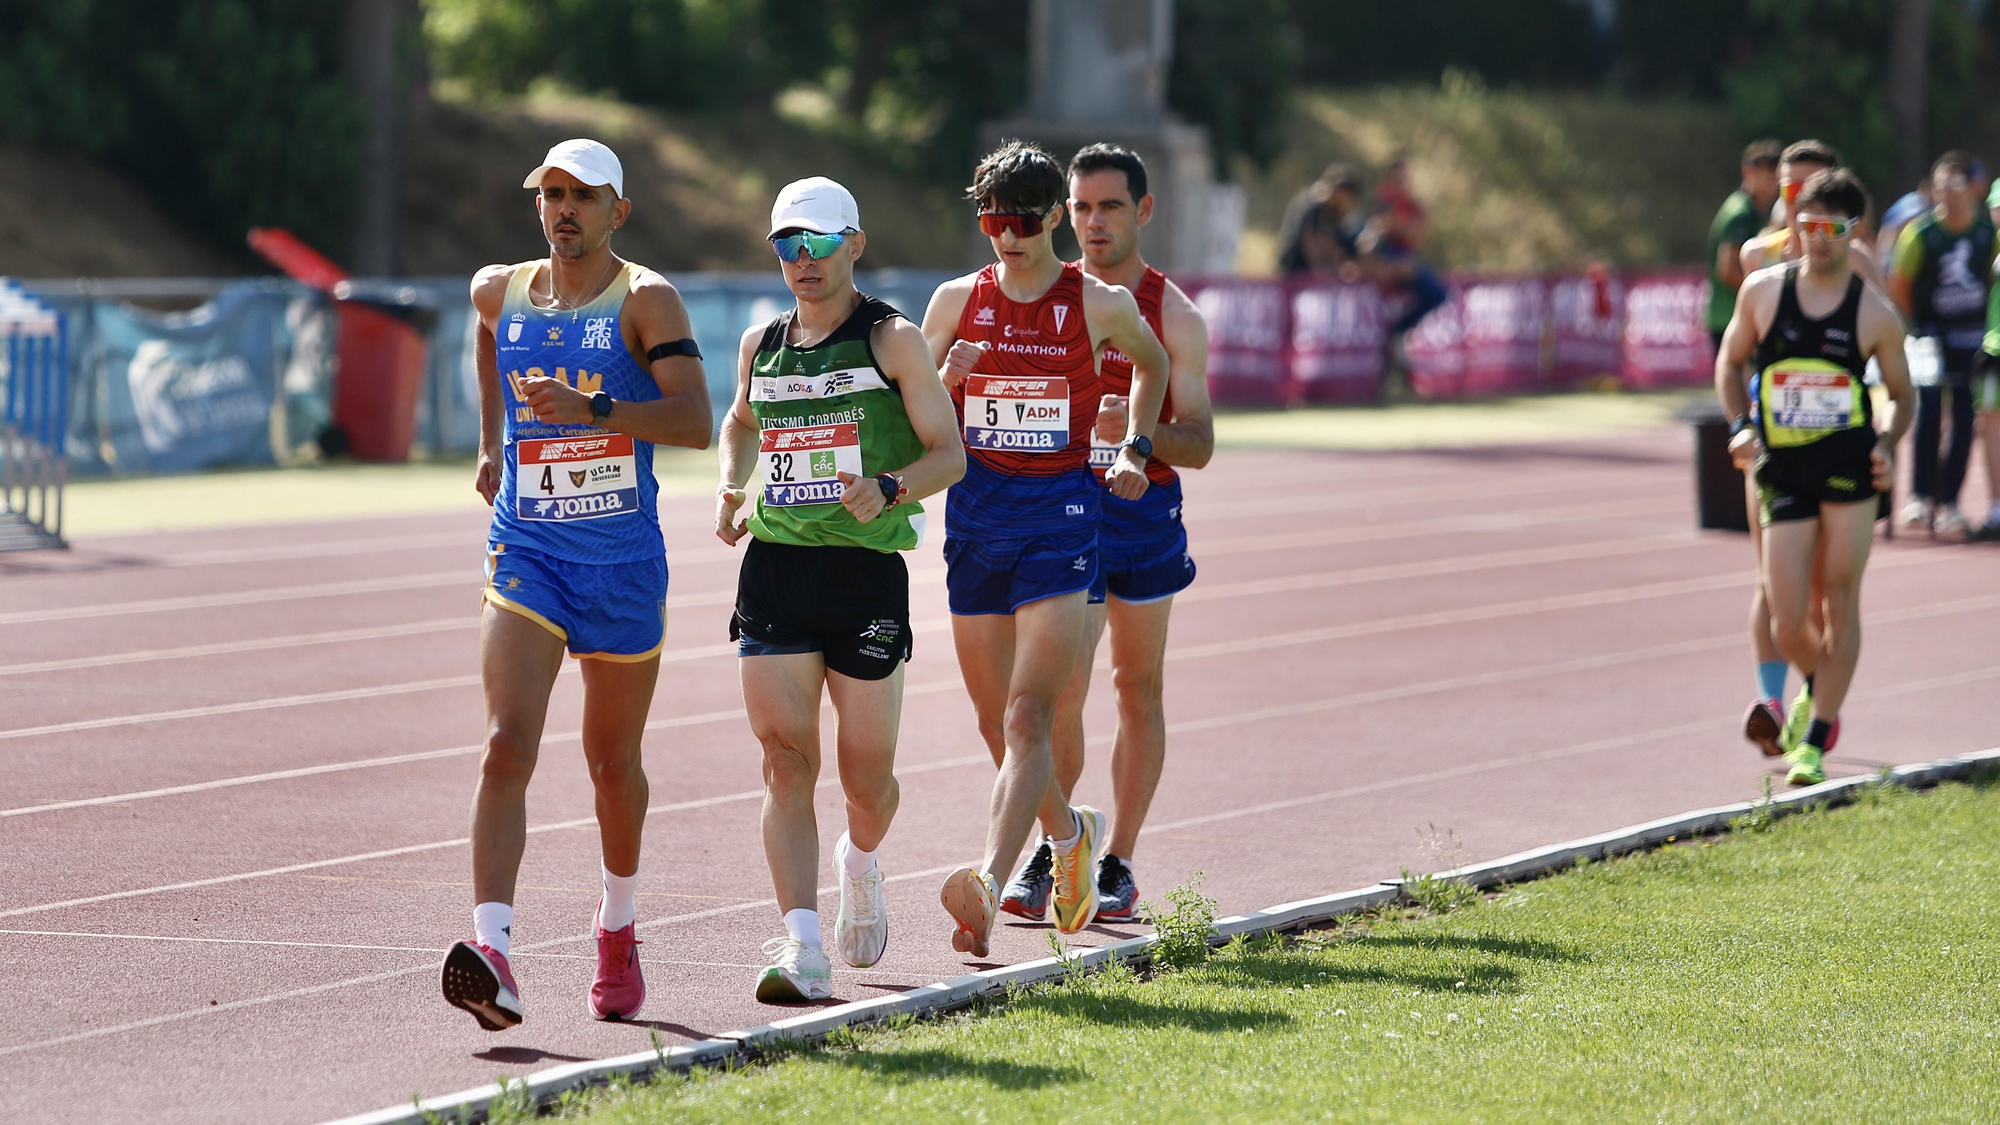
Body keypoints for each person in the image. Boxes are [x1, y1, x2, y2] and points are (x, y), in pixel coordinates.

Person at [443, 139, 714, 1030]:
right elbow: (486, 330)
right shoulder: (502, 288)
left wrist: (595, 408)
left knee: (612, 765)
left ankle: (617, 925)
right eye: (552, 194)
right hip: (528, 549)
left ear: (617, 211)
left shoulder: (645, 299)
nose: (564, 208)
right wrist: (493, 441)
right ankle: (492, 951)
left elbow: (696, 421)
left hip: (623, 562)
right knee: (504, 745)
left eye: (583, 196)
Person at [713, 178, 966, 1001]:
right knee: (785, 762)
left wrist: (890, 487)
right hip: (776, 569)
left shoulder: (892, 340)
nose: (804, 259)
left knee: (867, 782)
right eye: (788, 245)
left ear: (854, 244)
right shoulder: (761, 342)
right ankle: (803, 945)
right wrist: (731, 485)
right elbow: (741, 421)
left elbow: (949, 454)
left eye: (819, 243)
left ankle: (860, 860)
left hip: (864, 576)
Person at [919, 140, 1169, 957]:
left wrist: (1135, 446)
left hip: (1061, 524)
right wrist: (944, 381)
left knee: (1031, 714)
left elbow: (1153, 364)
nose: (1008, 236)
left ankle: (987, 883)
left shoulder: (1096, 302)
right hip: (975, 526)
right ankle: (1068, 838)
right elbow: (908, 413)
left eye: (1024, 221)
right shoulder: (956, 301)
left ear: (1054, 217)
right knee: (998, 727)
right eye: (993, 221)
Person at [995, 144, 1212, 925]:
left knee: (1136, 686)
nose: (1093, 223)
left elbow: (1201, 441)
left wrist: (1138, 437)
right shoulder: (1042, 295)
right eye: (1081, 207)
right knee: (1058, 692)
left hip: (1141, 516)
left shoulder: (1173, 315)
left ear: (1143, 211)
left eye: (1110, 207)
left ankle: (1118, 857)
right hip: (1063, 512)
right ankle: (1056, 843)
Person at [1716, 168, 1914, 787]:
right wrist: (1739, 426)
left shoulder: (1873, 312)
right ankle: (1814, 685)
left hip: (1848, 465)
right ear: (1794, 225)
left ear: (1854, 231)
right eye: (1808, 226)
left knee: (1840, 593)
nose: (1818, 239)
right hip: (1783, 465)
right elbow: (1730, 362)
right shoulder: (1762, 293)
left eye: (1832, 228)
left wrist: (1887, 442)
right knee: (1786, 614)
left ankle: (1815, 739)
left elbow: (1903, 396)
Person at [1890, 151, 1994, 539]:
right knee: (1929, 411)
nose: (1948, 194)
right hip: (1930, 336)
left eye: (1956, 185)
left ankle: (1951, 502)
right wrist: (1918, 326)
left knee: (1966, 417)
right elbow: (1899, 283)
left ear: (1973, 188)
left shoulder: (1987, 233)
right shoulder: (1920, 233)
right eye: (1940, 187)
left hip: (1973, 336)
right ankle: (1920, 497)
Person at [1739, 140, 1882, 288]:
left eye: (1812, 190)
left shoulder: (1856, 261)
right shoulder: (1757, 255)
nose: (1800, 200)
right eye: (1792, 190)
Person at [1706, 140, 1783, 356]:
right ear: (1748, 173)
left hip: (1728, 315)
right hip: (1729, 317)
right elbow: (1728, 270)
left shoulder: (1748, 208)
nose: (1774, 185)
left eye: (1776, 178)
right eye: (1768, 177)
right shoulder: (1741, 213)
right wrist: (1764, 295)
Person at [1277, 164, 1362, 279]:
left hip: (1313, 278)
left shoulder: (1332, 212)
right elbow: (1310, 247)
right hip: (1295, 274)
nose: (1344, 199)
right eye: (1343, 192)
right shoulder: (1309, 206)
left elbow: (1333, 246)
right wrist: (1327, 277)